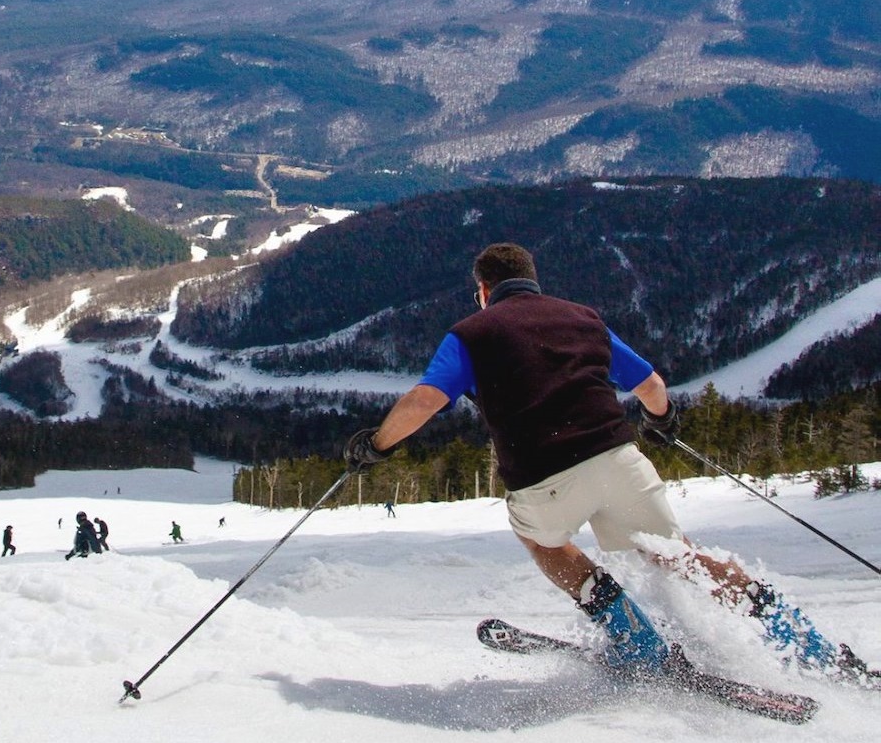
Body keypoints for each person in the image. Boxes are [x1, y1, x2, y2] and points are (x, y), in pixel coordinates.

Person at [344, 242, 873, 680]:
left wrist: (377, 445)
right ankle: (805, 641)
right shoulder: (584, 319)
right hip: (620, 459)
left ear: (482, 291)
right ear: (533, 280)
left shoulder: (472, 334)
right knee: (679, 556)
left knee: (544, 541)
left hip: (543, 475)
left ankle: (638, 642)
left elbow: (424, 401)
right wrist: (661, 422)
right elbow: (652, 386)